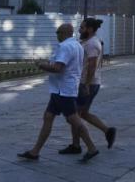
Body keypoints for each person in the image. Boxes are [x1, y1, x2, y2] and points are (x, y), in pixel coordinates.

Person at [19, 24, 98, 161]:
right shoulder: (77, 45)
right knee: (48, 117)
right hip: (62, 89)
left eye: (58, 32)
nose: (57, 35)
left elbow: (57, 68)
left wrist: (41, 65)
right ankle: (35, 152)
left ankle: (92, 148)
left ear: (65, 33)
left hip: (63, 91)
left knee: (73, 119)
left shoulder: (65, 46)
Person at [61, 17, 116, 154]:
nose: (79, 30)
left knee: (73, 116)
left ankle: (79, 146)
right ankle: (107, 131)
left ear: (90, 29)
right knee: (82, 114)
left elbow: (92, 65)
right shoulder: (88, 41)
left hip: (88, 84)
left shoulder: (92, 44)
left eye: (82, 27)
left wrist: (86, 84)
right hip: (86, 83)